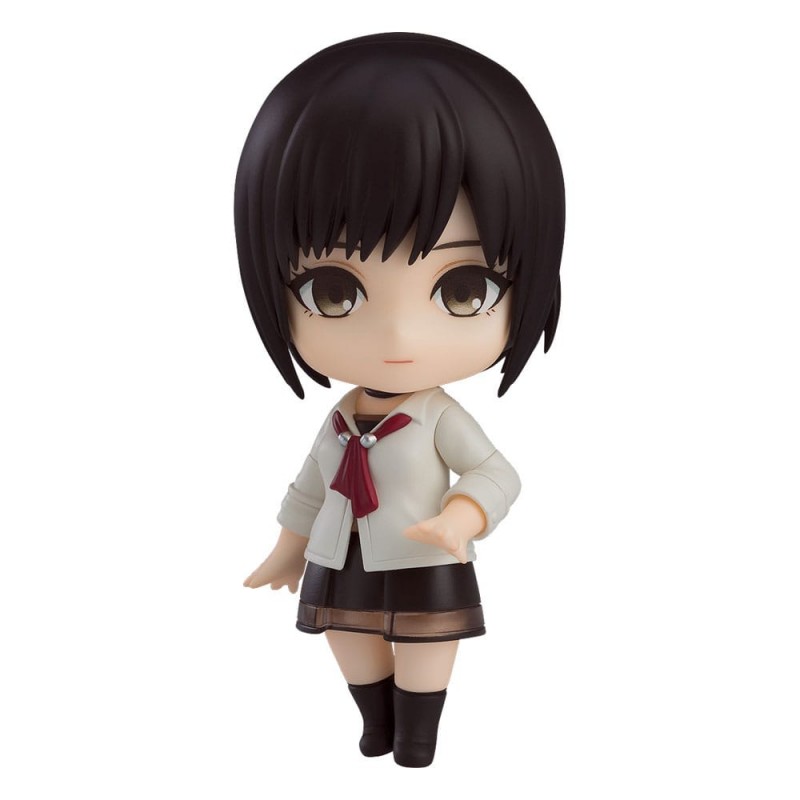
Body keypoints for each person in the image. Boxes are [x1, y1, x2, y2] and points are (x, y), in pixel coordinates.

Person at [234, 32, 565, 768]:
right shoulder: (339, 418)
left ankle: (418, 733)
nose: (398, 337)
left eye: (464, 289)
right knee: (345, 635)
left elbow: (497, 471)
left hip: (420, 552)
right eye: (332, 291)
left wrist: (463, 516)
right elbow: (311, 487)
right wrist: (288, 549)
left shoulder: (438, 416)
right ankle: (374, 719)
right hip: (341, 548)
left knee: (426, 643)